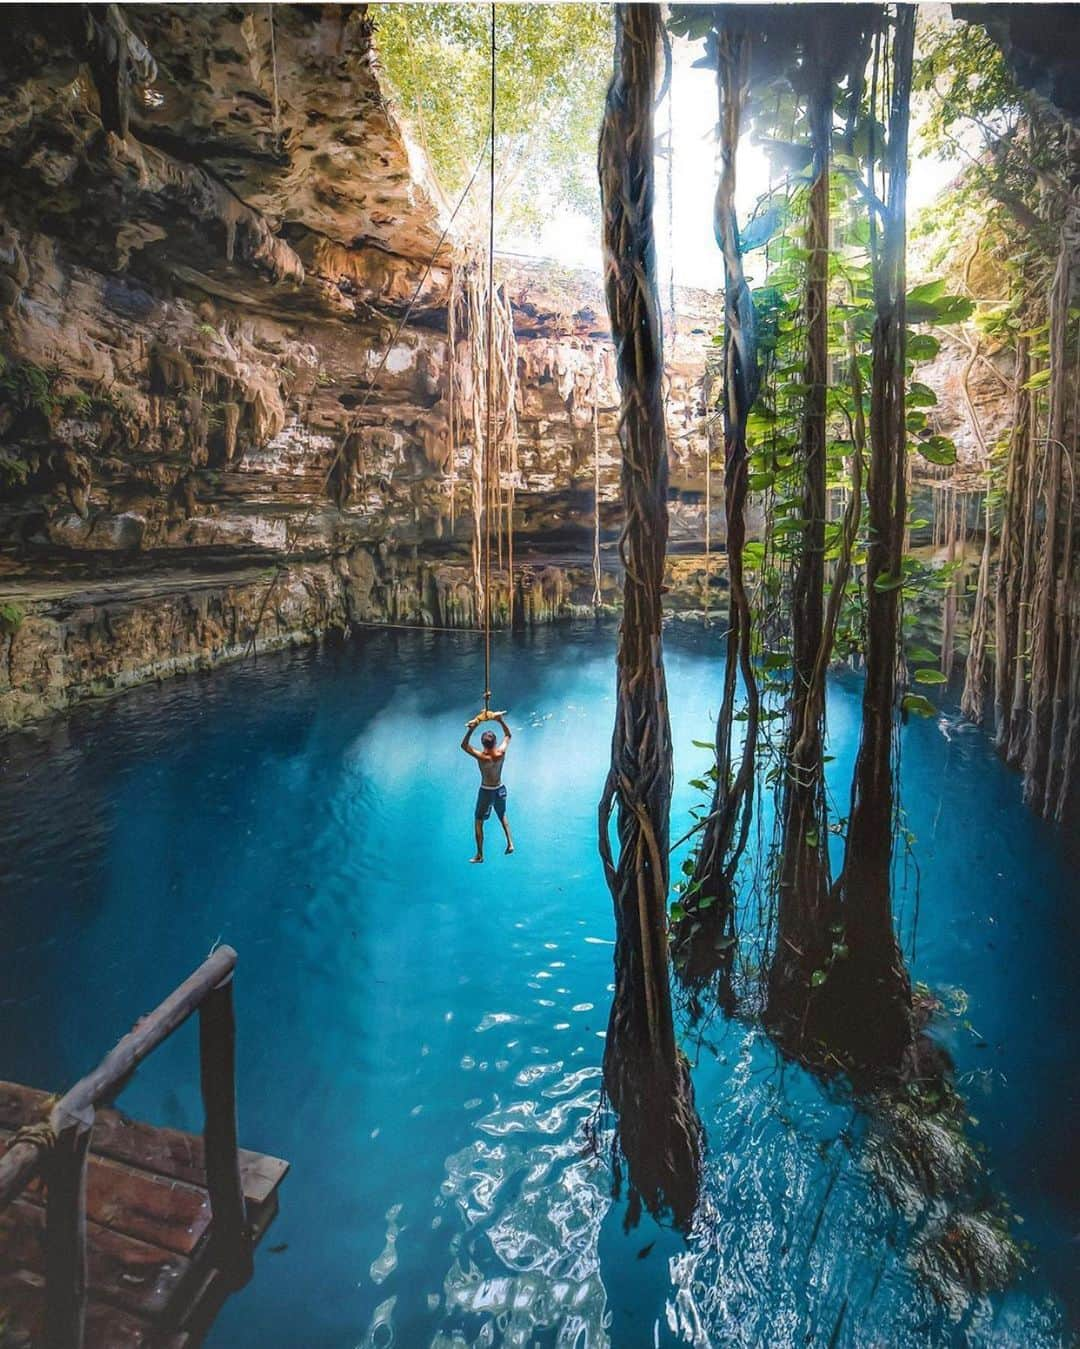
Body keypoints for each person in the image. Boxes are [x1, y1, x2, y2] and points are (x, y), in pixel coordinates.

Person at [460, 713, 514, 863]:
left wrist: (473, 728)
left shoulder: (482, 757)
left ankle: (480, 854)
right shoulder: (501, 752)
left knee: (478, 820)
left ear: (483, 744)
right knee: (502, 814)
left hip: (487, 790)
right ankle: (510, 843)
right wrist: (500, 721)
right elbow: (508, 736)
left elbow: (464, 746)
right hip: (500, 788)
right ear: (495, 742)